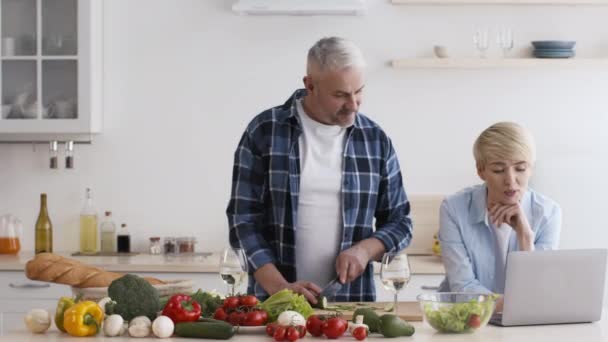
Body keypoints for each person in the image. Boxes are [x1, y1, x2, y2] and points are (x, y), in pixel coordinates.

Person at [226, 37, 413, 302]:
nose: (353, 104)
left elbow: (401, 222)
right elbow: (242, 220)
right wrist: (280, 288)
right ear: (310, 85)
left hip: (351, 305)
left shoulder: (375, 140)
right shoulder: (265, 131)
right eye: (340, 95)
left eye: (358, 91)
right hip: (274, 304)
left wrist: (364, 251)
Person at [438, 122, 562, 308]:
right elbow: (463, 286)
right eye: (498, 170)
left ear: (531, 169)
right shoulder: (454, 208)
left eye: (520, 169)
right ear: (481, 170)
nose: (511, 181)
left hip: (521, 321)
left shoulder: (549, 213)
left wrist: (526, 237)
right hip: (463, 317)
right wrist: (516, 306)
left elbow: (538, 290)